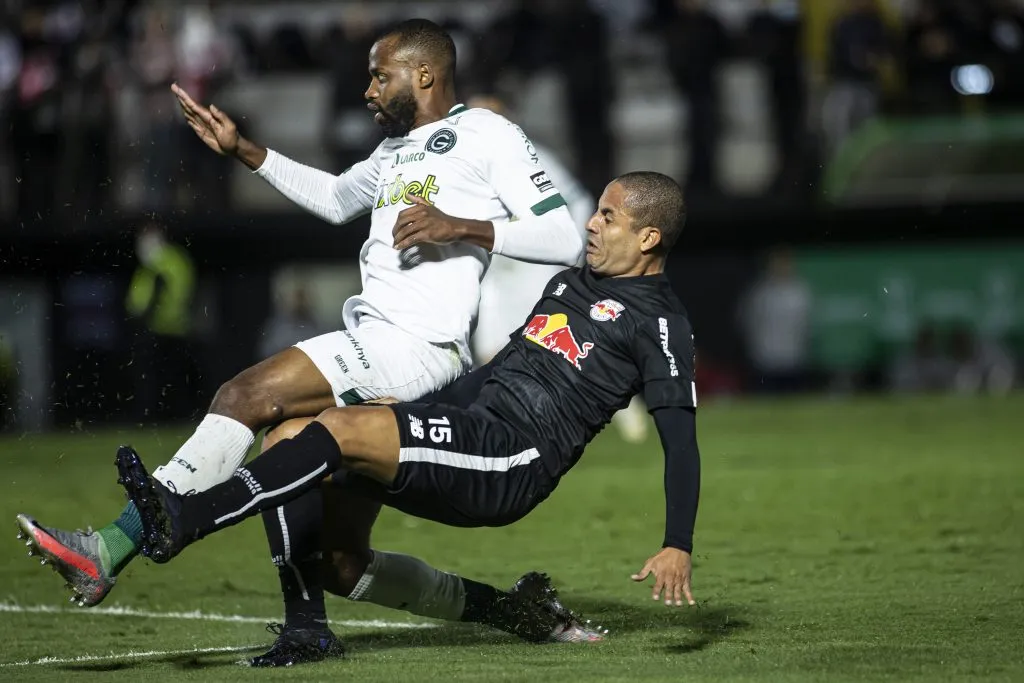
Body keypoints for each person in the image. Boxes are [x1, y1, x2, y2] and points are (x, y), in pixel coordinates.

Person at [16, 17, 583, 665]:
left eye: (379, 74)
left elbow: (565, 237)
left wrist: (463, 225)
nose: (367, 89)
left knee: (248, 391)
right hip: (382, 343)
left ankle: (118, 541)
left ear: (423, 74)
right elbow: (338, 197)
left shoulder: (487, 133)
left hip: (416, 348)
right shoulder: (396, 152)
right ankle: (481, 610)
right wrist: (246, 152)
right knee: (337, 549)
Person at [112, 173, 702, 658]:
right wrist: (414, 412)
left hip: (513, 459)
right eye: (595, 211)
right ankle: (313, 629)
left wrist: (677, 544)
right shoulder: (571, 282)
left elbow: (681, 440)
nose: (591, 224)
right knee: (301, 464)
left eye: (607, 217)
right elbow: (494, 377)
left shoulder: (659, 323)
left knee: (336, 430)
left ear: (648, 238)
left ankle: (186, 517)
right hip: (472, 432)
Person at [467, 92, 650, 444]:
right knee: (491, 352)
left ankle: (622, 403)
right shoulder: (460, 162)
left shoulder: (530, 156)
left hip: (534, 267)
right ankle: (515, 428)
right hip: (496, 272)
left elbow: (578, 201)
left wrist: (573, 251)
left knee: (558, 347)